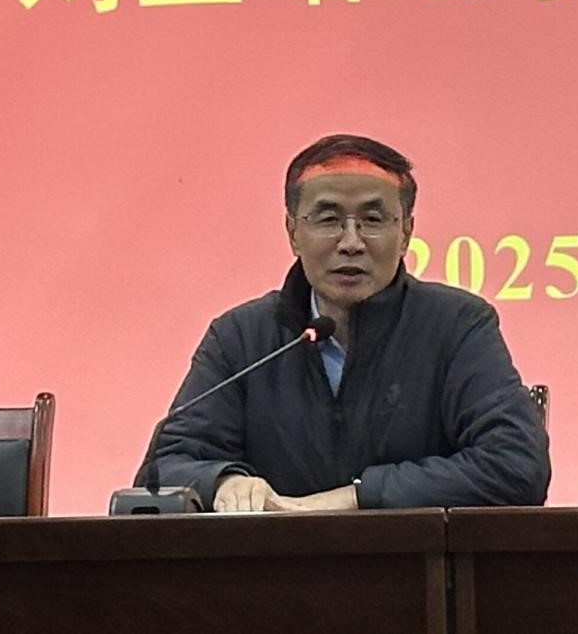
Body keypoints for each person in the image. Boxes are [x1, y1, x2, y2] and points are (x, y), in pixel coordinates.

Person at [135, 134, 550, 512]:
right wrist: (224, 482)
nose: (351, 242)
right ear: (293, 233)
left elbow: (516, 466)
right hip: (274, 566)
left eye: (373, 220)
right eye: (329, 219)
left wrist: (355, 497)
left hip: (413, 565)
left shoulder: (457, 326)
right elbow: (164, 468)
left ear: (406, 233)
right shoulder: (241, 337)